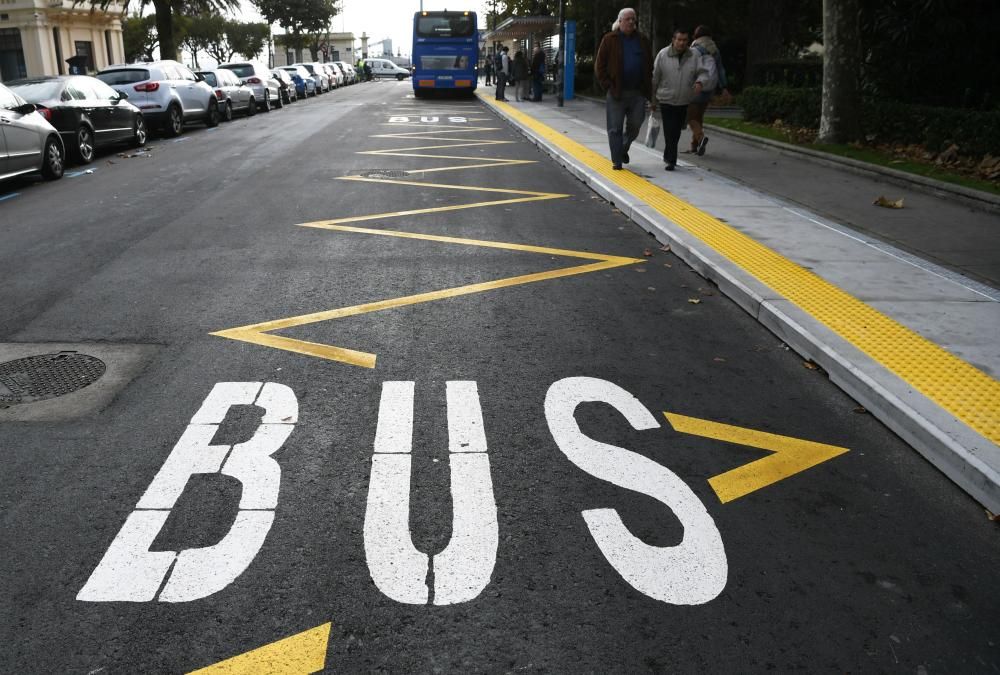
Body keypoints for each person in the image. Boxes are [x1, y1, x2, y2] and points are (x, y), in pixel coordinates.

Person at [595, 7, 653, 170]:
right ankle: (617, 161)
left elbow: (649, 64)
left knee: (636, 124)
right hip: (616, 92)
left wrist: (648, 90)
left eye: (633, 19)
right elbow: (600, 66)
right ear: (619, 21)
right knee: (615, 128)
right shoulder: (609, 39)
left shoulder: (642, 40)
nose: (631, 22)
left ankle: (623, 148)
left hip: (637, 92)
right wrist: (608, 85)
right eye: (628, 19)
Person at [651, 28, 709, 171]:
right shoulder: (663, 54)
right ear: (673, 40)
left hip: (684, 99)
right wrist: (652, 100)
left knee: (676, 131)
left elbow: (703, 72)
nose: (682, 43)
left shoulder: (694, 55)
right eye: (679, 40)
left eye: (684, 40)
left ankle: (668, 155)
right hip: (666, 98)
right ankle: (671, 160)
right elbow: (655, 77)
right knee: (670, 130)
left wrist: (700, 82)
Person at [686, 25, 728, 156]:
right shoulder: (714, 50)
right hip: (710, 88)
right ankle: (695, 146)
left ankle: (700, 137)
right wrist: (724, 87)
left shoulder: (694, 49)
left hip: (696, 87)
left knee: (690, 117)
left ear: (696, 36)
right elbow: (720, 70)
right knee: (699, 117)